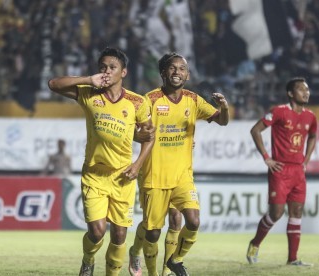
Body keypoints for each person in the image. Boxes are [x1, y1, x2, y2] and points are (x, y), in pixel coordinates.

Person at [48, 47, 155, 276]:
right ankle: (88, 259)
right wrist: (89, 79)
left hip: (123, 176)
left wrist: (137, 165)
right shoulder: (89, 94)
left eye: (112, 67)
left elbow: (149, 136)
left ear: (123, 72)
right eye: (102, 67)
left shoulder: (137, 102)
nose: (106, 71)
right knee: (97, 232)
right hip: (95, 175)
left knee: (119, 236)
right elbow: (53, 84)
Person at [128, 52, 229, 276]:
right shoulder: (150, 100)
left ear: (188, 75)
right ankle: (138, 254)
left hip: (182, 176)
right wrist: (143, 137)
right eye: (172, 68)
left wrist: (225, 108)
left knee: (190, 220)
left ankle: (173, 264)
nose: (177, 72)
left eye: (182, 69)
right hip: (154, 175)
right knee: (153, 232)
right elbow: (133, 131)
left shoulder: (193, 100)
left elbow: (222, 121)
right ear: (163, 73)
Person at [246, 77, 317, 266]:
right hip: (280, 169)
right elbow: (255, 130)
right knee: (276, 214)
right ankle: (255, 243)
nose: (306, 92)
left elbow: (312, 136)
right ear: (291, 93)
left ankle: (292, 258)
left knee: (297, 213)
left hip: (298, 172)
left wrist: (307, 158)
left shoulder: (310, 116)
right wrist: (267, 158)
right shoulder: (279, 112)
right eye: (301, 89)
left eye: (307, 89)